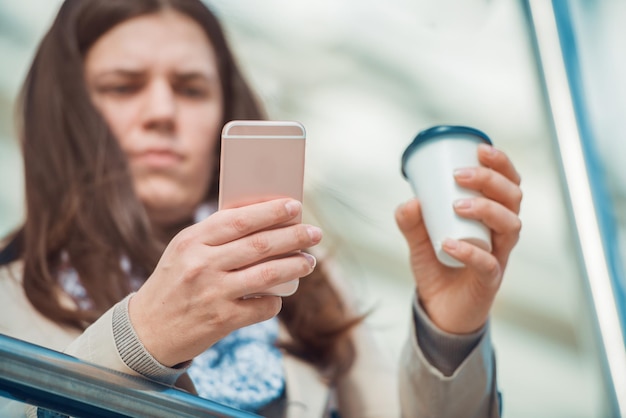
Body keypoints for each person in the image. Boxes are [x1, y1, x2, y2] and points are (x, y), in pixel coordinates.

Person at [0, 0, 522, 416]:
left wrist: (450, 334)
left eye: (191, 89)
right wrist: (139, 343)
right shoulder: (9, 293)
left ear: (226, 114)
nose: (161, 111)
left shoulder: (308, 282)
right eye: (123, 86)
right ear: (65, 114)